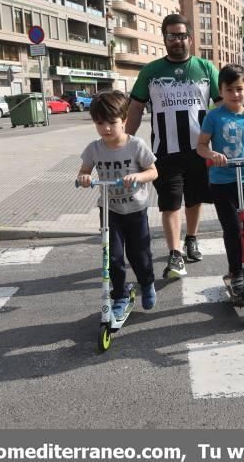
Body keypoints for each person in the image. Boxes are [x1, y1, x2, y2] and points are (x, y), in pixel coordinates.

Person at [125, 13, 220, 280]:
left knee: (195, 198)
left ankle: (191, 238)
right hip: (164, 151)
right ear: (164, 39)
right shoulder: (151, 71)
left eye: (181, 35)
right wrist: (123, 145)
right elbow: (135, 109)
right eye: (171, 36)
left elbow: (222, 106)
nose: (176, 41)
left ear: (190, 37)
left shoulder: (205, 68)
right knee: (170, 204)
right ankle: (175, 254)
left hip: (199, 149)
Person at [78, 91, 159, 320]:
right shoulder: (94, 148)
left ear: (124, 120)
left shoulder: (136, 145)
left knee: (139, 254)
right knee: (112, 256)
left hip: (135, 209)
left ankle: (147, 282)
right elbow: (84, 171)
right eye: (100, 123)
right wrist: (84, 178)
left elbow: (153, 171)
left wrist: (138, 177)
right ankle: (120, 295)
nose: (106, 129)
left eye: (112, 123)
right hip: (110, 210)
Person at [196, 64, 244, 307]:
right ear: (221, 91)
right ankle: (237, 273)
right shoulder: (214, 116)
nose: (235, 94)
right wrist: (212, 154)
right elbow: (201, 146)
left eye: (239, 89)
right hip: (222, 181)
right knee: (231, 229)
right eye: (229, 89)